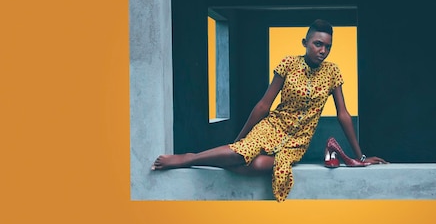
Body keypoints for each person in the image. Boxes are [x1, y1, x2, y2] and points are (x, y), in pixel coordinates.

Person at [152, 19, 387, 201]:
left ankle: (217, 155)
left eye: (328, 46)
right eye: (318, 44)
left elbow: (343, 114)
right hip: (273, 126)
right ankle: (187, 159)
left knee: (253, 166)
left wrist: (360, 156)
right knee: (240, 154)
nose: (323, 50)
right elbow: (264, 105)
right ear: (305, 43)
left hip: (297, 141)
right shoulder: (288, 64)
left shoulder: (332, 72)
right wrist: (240, 140)